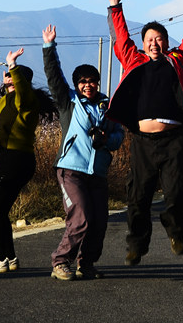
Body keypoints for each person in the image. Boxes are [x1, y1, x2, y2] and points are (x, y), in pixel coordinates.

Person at [104, 0, 183, 265]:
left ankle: (176, 231)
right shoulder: (133, 61)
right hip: (142, 142)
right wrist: (115, 8)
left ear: (165, 42)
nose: (154, 44)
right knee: (137, 195)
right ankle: (137, 244)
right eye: (149, 39)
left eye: (159, 39)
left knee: (176, 190)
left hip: (173, 138)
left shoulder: (179, 61)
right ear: (143, 43)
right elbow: (120, 37)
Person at [42, 24, 125, 281]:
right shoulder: (68, 102)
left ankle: (86, 264)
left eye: (92, 81)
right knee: (81, 217)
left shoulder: (107, 106)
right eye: (83, 81)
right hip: (71, 170)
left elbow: (118, 137)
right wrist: (49, 47)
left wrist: (105, 139)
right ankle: (60, 261)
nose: (88, 85)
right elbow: (54, 76)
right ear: (77, 84)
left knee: (99, 223)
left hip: (97, 172)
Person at [0, 49, 55, 274]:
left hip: (15, 159)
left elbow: (21, 91)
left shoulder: (26, 100)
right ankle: (8, 257)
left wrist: (12, 65)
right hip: (8, 159)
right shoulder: (7, 100)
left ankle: (0, 258)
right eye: (7, 74)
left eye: (12, 75)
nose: (8, 77)